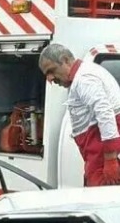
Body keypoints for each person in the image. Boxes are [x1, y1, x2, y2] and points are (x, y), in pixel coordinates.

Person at [39, 43, 120, 187]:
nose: (50, 79)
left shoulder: (84, 79)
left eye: (51, 71)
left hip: (100, 154)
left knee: (99, 195)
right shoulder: (85, 75)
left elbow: (105, 113)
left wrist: (110, 159)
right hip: (97, 154)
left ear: (65, 60)